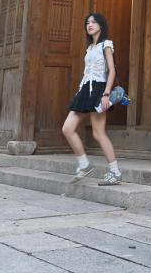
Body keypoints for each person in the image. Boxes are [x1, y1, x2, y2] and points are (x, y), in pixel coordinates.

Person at [62, 12, 122, 186]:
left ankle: (115, 172)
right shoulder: (89, 48)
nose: (90, 25)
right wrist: (79, 92)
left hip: (98, 90)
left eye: (94, 22)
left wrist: (106, 94)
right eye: (88, 22)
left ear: (101, 25)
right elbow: (87, 73)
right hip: (85, 90)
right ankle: (84, 164)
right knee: (67, 128)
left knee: (98, 133)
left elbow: (112, 71)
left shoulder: (106, 45)